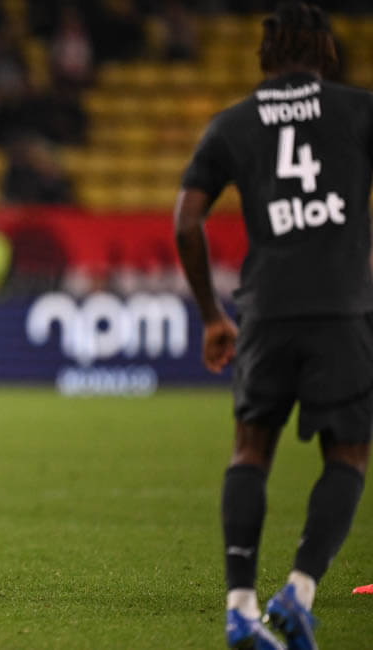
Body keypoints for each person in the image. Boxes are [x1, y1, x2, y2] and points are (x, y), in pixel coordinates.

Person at [174, 4, 371, 649]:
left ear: (264, 55)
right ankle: (300, 590)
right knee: (347, 453)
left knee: (250, 452)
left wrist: (212, 316)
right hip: (342, 309)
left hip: (265, 311)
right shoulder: (359, 110)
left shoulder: (234, 122)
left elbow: (186, 221)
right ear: (327, 52)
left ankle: (240, 608)